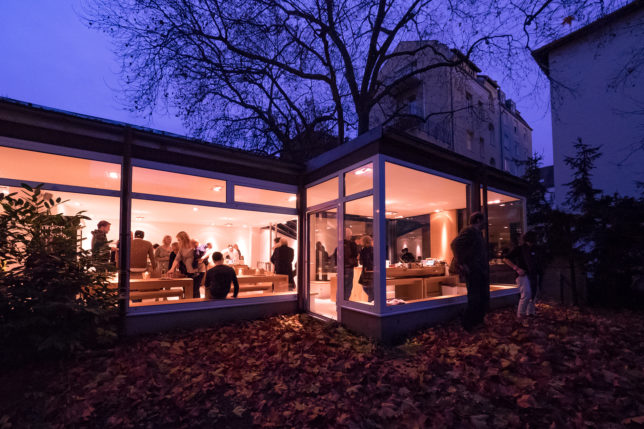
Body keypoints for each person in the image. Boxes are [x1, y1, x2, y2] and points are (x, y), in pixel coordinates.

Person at [450, 212, 489, 332]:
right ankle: (468, 324)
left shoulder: (477, 233)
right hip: (474, 269)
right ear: (478, 220)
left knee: (483, 296)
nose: (485, 223)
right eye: (483, 221)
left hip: (479, 269)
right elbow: (455, 244)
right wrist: (462, 263)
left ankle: (477, 322)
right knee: (475, 297)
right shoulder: (469, 231)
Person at [504, 231, 541, 318]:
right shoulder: (520, 249)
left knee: (533, 294)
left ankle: (530, 314)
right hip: (523, 275)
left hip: (533, 274)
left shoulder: (535, 249)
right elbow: (506, 259)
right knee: (527, 294)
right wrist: (516, 268)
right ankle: (521, 315)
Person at [169, 231, 205, 298]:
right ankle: (191, 303)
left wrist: (202, 258)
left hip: (198, 270)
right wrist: (172, 269)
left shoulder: (193, 243)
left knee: (194, 289)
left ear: (183, 239)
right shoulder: (182, 248)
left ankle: (196, 305)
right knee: (190, 288)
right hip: (190, 271)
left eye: (179, 240)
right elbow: (177, 259)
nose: (178, 242)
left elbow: (205, 249)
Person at [332, 228, 359, 300]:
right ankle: (345, 304)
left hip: (341, 268)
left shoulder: (338, 245)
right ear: (349, 236)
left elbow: (335, 257)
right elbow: (355, 255)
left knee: (341, 287)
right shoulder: (351, 244)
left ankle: (339, 305)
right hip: (348, 268)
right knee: (348, 287)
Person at [358, 235, 374, 302]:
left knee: (365, 286)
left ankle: (371, 298)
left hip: (366, 270)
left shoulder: (363, 250)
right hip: (373, 270)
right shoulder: (373, 249)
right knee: (371, 286)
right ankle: (372, 298)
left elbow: (361, 262)